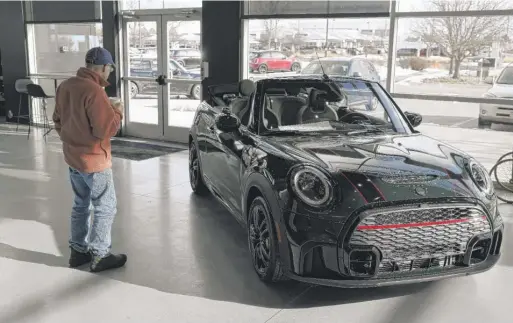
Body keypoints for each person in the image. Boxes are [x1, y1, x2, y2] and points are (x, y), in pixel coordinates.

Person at [52, 47, 127, 272]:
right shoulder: (94, 91)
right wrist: (118, 111)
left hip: (73, 160)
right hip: (94, 161)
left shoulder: (65, 86)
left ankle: (78, 252)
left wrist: (72, 141)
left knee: (80, 204)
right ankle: (100, 255)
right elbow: (106, 130)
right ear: (103, 67)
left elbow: (57, 120)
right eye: (110, 70)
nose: (110, 74)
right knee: (105, 207)